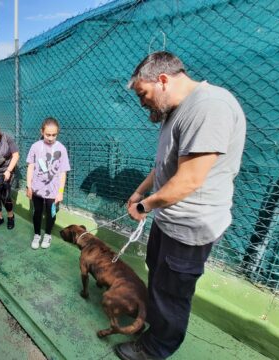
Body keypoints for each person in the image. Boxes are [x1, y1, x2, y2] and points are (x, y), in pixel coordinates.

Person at [115, 51, 246, 360]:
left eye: (143, 94)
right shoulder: (176, 110)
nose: (142, 102)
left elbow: (188, 180)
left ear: (162, 80)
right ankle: (154, 328)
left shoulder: (209, 107)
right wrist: (140, 192)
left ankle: (155, 349)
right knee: (160, 282)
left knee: (171, 293)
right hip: (168, 218)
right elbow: (166, 164)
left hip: (190, 226)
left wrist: (144, 207)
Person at [26, 117, 70, 249]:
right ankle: (37, 234)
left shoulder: (61, 149)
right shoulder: (35, 147)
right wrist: (29, 186)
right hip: (37, 188)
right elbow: (31, 166)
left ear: (57, 133)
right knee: (37, 212)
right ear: (42, 131)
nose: (51, 138)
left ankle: (48, 234)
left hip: (53, 190)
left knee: (51, 213)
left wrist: (60, 192)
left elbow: (63, 172)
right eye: (48, 134)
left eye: (54, 135)